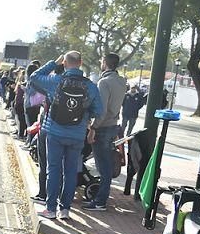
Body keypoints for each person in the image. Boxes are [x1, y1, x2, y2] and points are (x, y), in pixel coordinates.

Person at [30, 52, 102, 220]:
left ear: (64, 63)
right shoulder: (90, 86)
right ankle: (65, 210)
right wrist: (87, 121)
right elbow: (98, 111)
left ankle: (51, 209)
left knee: (53, 170)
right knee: (70, 172)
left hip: (54, 132)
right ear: (81, 63)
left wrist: (53, 63)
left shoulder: (56, 81)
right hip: (77, 135)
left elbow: (34, 77)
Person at [85, 53, 127, 211]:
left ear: (105, 63)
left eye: (102, 60)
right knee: (106, 165)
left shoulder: (104, 82)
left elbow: (101, 110)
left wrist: (93, 128)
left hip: (102, 127)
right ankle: (101, 198)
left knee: (103, 167)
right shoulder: (121, 81)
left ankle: (100, 201)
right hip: (113, 125)